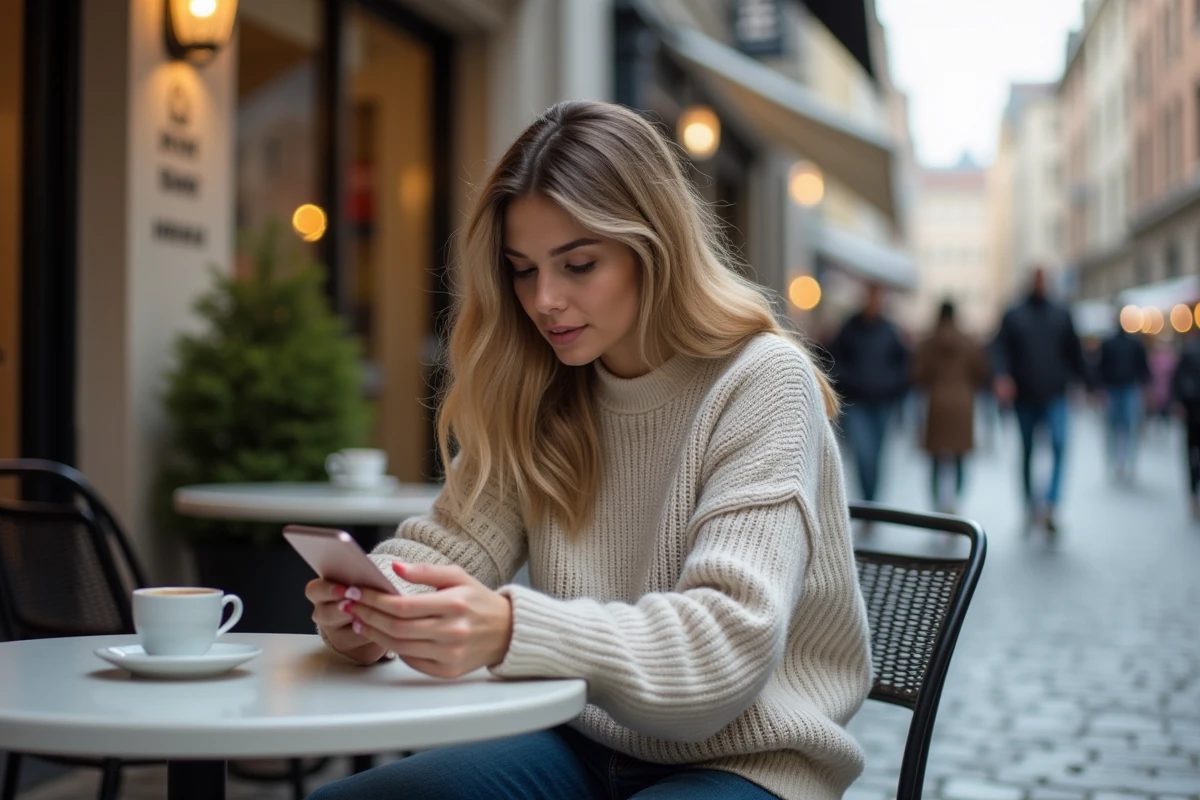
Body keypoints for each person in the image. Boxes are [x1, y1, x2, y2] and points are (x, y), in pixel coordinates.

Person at [305, 101, 872, 800]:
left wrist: (512, 626)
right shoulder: (542, 383)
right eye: (521, 268)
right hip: (583, 740)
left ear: (654, 248)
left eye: (578, 264)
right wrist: (375, 605)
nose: (544, 300)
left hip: (752, 758)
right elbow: (450, 544)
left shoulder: (761, 381)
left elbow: (723, 652)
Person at [991, 266, 1090, 535]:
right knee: (1027, 453)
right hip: (1024, 397)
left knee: (1059, 445)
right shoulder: (1013, 314)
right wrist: (1002, 376)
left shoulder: (1061, 313)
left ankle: (1050, 505)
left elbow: (1075, 352)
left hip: (1055, 394)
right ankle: (1029, 506)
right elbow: (999, 349)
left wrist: (1089, 384)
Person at [826, 284, 911, 503]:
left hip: (882, 402)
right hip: (857, 402)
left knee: (877, 456)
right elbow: (834, 360)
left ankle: (872, 501)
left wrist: (892, 384)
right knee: (864, 453)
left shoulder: (889, 330)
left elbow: (904, 364)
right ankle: (867, 500)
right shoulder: (850, 328)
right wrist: (850, 380)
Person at [913, 300, 990, 514]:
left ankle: (938, 505)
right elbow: (981, 371)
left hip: (936, 404)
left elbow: (918, 375)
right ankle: (955, 501)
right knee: (959, 458)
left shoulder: (928, 343)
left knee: (936, 460)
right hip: (962, 405)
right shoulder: (968, 342)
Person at [1096, 319, 1150, 483]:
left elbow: (1101, 368)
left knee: (1122, 428)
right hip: (1120, 389)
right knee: (1123, 428)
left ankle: (1122, 463)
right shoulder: (1129, 343)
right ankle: (1121, 463)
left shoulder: (1117, 343)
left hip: (1124, 389)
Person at [1171, 332, 1200, 518]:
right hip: (1193, 411)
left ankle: (1193, 496)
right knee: (1192, 454)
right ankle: (1193, 495)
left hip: (1192, 411)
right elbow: (1178, 380)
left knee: (1191, 454)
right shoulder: (1190, 351)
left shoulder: (1189, 349)